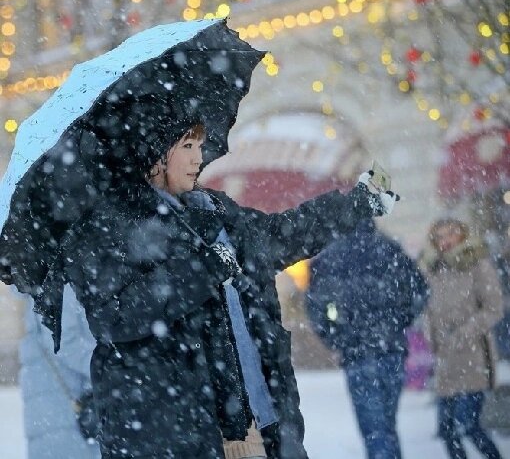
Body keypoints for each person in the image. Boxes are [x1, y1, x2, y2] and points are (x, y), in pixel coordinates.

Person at [59, 99, 397, 458]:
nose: (198, 158)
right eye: (187, 146)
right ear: (156, 153)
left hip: (259, 420)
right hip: (179, 433)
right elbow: (113, 316)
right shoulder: (111, 227)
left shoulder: (213, 210)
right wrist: (203, 268)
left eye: (200, 146)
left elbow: (278, 235)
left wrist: (356, 204)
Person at [305, 218, 429, 459]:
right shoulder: (390, 249)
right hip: (391, 348)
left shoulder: (329, 257)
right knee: (387, 426)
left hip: (357, 352)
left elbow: (315, 307)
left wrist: (336, 338)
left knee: (374, 429)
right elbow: (419, 291)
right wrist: (399, 322)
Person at [421, 218, 504, 459]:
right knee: (447, 431)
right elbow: (428, 308)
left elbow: (494, 308)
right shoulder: (433, 268)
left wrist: (463, 333)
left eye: (451, 233)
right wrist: (431, 336)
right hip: (446, 362)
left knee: (469, 425)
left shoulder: (478, 264)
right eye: (440, 236)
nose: (446, 240)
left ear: (463, 235)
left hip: (474, 358)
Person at [19, 285, 101, 459]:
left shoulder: (39, 282)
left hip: (52, 404)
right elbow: (64, 342)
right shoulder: (59, 280)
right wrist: (104, 363)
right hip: (65, 408)